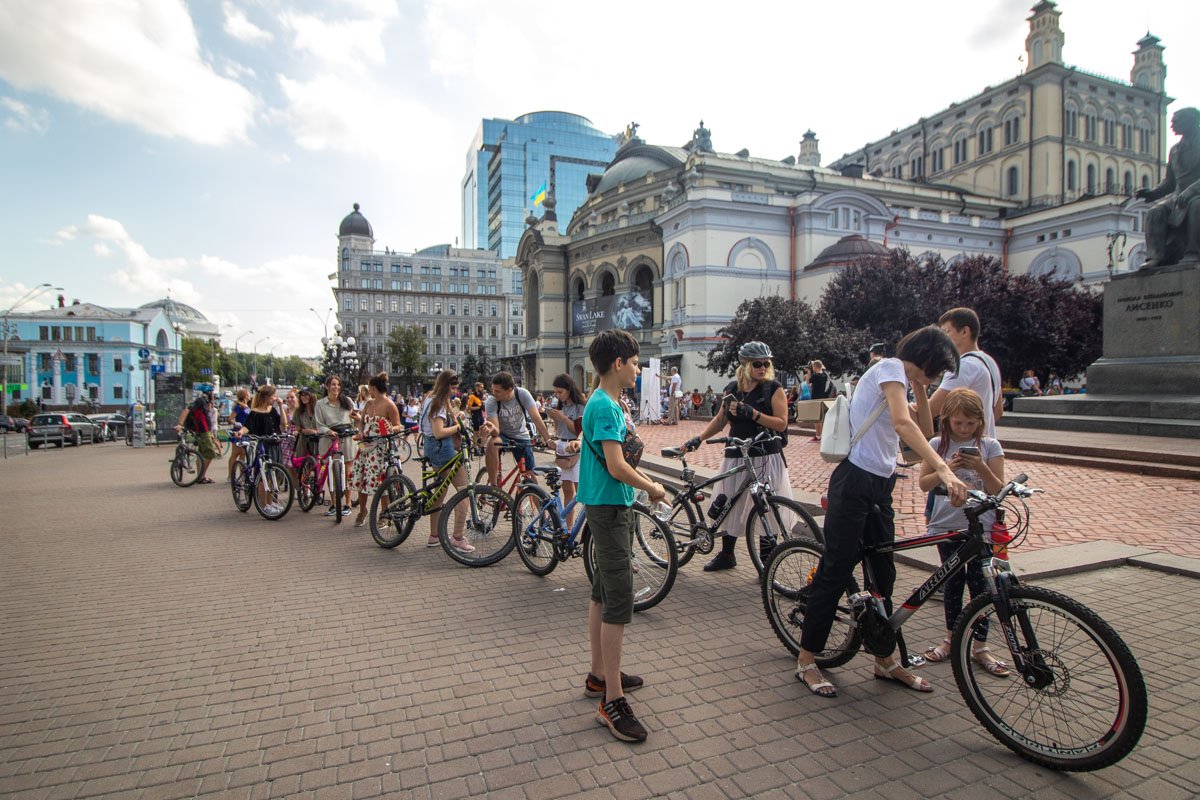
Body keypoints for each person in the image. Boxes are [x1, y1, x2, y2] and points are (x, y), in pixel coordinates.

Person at [794, 326, 968, 699]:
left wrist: (920, 385)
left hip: (880, 485)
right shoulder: (889, 367)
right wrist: (943, 468)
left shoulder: (905, 381)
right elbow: (903, 425)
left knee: (883, 573)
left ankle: (884, 659)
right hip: (854, 480)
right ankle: (807, 659)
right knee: (836, 569)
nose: (937, 379)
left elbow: (923, 428)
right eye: (936, 371)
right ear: (926, 358)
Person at [579, 329, 666, 743]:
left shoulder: (605, 402)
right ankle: (611, 701)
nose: (637, 368)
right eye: (634, 362)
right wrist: (651, 487)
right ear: (618, 363)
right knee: (618, 600)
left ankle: (600, 674)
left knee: (601, 592)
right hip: (610, 506)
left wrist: (643, 484)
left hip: (610, 505)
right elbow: (616, 465)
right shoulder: (605, 408)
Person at [918, 388, 1011, 677]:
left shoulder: (990, 446)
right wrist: (947, 467)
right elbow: (924, 483)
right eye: (958, 423)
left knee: (982, 587)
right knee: (953, 583)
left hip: (980, 526)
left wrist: (980, 467)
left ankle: (980, 646)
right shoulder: (937, 443)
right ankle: (950, 638)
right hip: (946, 524)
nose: (964, 429)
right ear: (948, 421)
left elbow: (998, 490)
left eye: (970, 424)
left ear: (980, 423)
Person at [682, 341, 794, 571]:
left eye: (766, 363)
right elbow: (721, 420)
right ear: (745, 365)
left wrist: (753, 414)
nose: (763, 368)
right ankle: (727, 555)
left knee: (767, 507)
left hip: (765, 455)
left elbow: (781, 423)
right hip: (736, 453)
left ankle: (767, 561)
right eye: (757, 364)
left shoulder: (773, 389)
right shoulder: (733, 389)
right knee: (728, 502)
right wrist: (699, 438)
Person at [1135, 107, 1200, 268]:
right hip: (1178, 195)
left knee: (1195, 206)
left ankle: (1193, 253)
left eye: (1176, 121)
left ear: (1191, 121)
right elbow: (1170, 182)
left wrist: (1191, 191)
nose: (1171, 125)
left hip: (1197, 193)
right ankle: (1156, 257)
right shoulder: (1175, 150)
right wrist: (1152, 193)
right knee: (1154, 211)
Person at [420, 370, 474, 551]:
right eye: (452, 387)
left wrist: (456, 416)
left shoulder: (430, 397)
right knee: (463, 491)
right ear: (445, 385)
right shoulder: (438, 403)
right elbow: (439, 432)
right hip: (442, 449)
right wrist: (458, 427)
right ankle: (457, 537)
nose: (454, 391)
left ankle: (434, 535)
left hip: (432, 448)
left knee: (440, 492)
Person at [930, 308, 1004, 437]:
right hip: (984, 444)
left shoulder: (964, 365)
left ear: (964, 331)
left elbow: (932, 408)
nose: (942, 339)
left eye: (946, 332)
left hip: (960, 448)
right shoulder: (989, 361)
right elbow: (997, 412)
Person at [481, 371, 552, 487]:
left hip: (521, 435)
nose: (493, 393)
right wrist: (492, 429)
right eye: (493, 390)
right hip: (502, 435)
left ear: (509, 389)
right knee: (492, 442)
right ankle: (493, 487)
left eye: (497, 391)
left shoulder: (522, 394)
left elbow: (536, 418)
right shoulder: (491, 401)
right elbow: (496, 432)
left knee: (530, 473)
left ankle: (538, 501)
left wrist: (548, 440)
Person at [349, 372, 402, 527]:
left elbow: (398, 425)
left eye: (369, 388)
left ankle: (385, 513)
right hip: (365, 447)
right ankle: (362, 510)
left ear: (372, 388)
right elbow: (361, 422)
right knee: (361, 479)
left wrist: (389, 428)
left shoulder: (389, 405)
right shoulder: (368, 404)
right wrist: (359, 430)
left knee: (382, 481)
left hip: (381, 449)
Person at [315, 375, 358, 517]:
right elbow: (319, 424)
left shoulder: (347, 402)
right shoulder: (320, 404)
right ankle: (334, 504)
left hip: (346, 438)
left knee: (348, 471)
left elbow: (355, 419)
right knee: (332, 471)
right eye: (333, 384)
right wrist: (328, 431)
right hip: (330, 438)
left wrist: (357, 420)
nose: (336, 387)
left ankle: (348, 503)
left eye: (338, 385)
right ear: (327, 386)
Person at [546, 373, 586, 524]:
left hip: (575, 448)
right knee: (567, 491)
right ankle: (568, 529)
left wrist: (562, 417)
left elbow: (579, 430)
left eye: (560, 392)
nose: (557, 395)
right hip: (562, 448)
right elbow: (560, 430)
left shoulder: (580, 406)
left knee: (580, 492)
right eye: (555, 392)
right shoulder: (561, 406)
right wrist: (555, 422)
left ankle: (578, 526)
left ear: (569, 389)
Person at [240, 384, 285, 514]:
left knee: (275, 476)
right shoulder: (255, 412)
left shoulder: (272, 410)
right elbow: (247, 426)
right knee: (264, 475)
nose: (275, 398)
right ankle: (264, 505)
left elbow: (283, 423)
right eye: (273, 396)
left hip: (275, 444)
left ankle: (271, 503)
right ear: (266, 397)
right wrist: (241, 432)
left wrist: (281, 406)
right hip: (263, 445)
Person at [173, 387, 216, 484]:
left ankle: (200, 477)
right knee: (211, 453)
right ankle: (201, 476)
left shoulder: (204, 401)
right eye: (212, 393)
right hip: (203, 432)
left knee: (201, 455)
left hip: (203, 431)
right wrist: (180, 424)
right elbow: (186, 410)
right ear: (209, 393)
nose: (214, 396)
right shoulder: (200, 400)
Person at [226, 388, 252, 483]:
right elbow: (230, 419)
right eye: (248, 393)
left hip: (246, 432)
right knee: (235, 454)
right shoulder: (238, 407)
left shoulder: (247, 407)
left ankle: (242, 474)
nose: (249, 395)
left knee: (243, 454)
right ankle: (231, 475)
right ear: (244, 395)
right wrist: (237, 424)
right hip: (238, 432)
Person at [808, 360, 835, 442]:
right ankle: (823, 435)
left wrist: (809, 372)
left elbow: (808, 382)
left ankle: (818, 435)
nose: (813, 369)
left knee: (816, 419)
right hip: (824, 397)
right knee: (823, 418)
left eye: (813, 367)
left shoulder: (815, 376)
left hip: (815, 398)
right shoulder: (825, 375)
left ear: (815, 367)